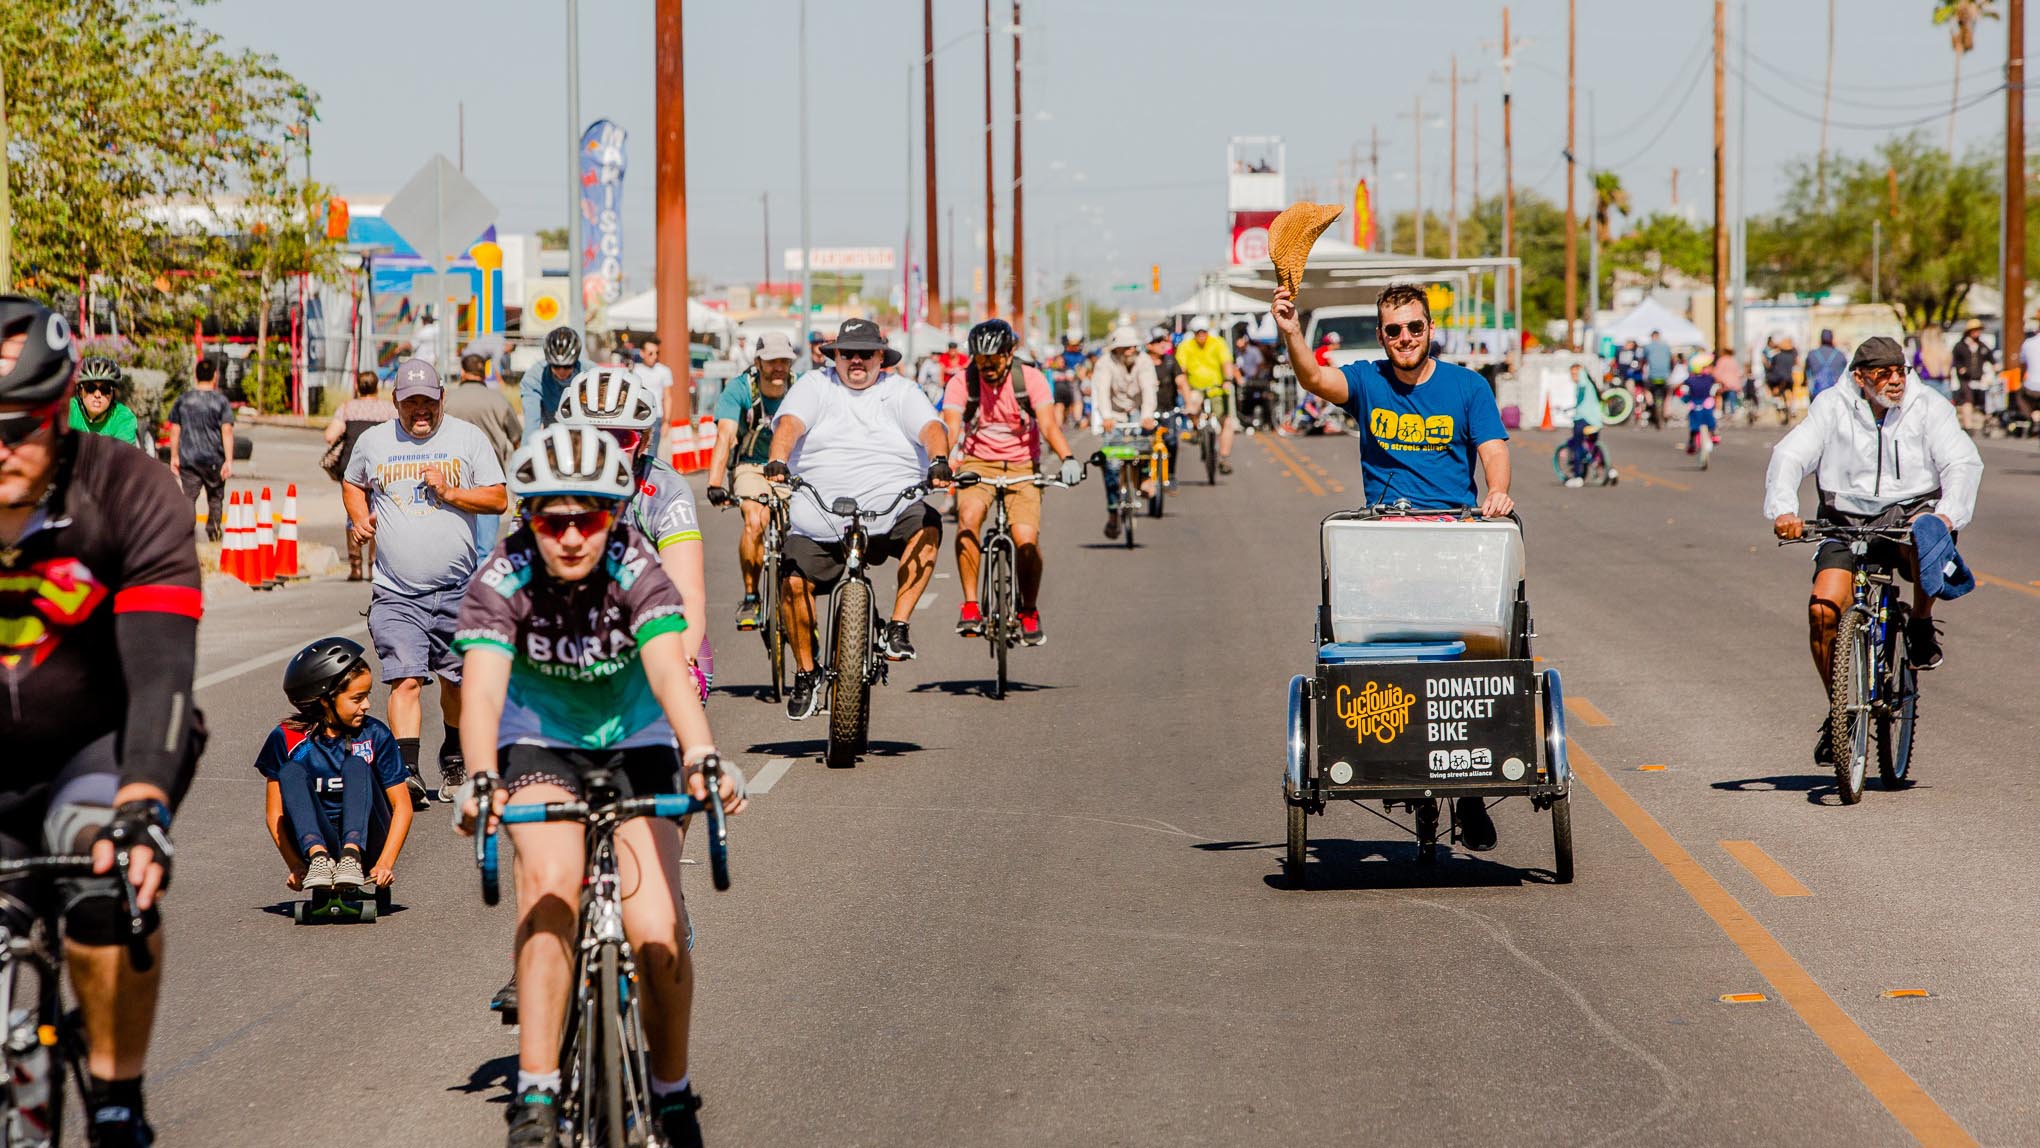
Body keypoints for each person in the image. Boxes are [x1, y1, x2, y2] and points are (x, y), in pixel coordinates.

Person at [453, 425, 747, 1148]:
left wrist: (703, 753)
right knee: (551, 880)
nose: (573, 537)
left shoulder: (636, 565)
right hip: (539, 740)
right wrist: (481, 776)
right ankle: (539, 1092)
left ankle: (671, 1091)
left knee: (656, 930)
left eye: (590, 517)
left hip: (636, 740)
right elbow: (482, 695)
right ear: (530, 521)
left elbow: (667, 671)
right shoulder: (503, 574)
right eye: (554, 519)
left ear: (614, 517)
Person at [0, 295, 202, 1148]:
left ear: (60, 409)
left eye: (19, 427)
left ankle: (118, 1096)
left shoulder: (129, 490)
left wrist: (143, 806)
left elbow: (161, 670)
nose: (0, 449)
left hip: (103, 738)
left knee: (102, 870)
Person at [1273, 280, 1512, 852]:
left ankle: (1472, 793)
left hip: (1454, 541)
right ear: (1382, 336)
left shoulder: (1467, 386)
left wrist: (1497, 493)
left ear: (1431, 330)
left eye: (1414, 327)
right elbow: (1313, 379)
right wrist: (1290, 331)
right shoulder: (1366, 380)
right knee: (1378, 658)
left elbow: (1494, 450)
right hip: (1382, 545)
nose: (1405, 338)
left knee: (1474, 659)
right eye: (1393, 330)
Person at [1765, 336, 1983, 763]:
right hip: (1845, 519)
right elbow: (1790, 454)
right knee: (1823, 610)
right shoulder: (1832, 406)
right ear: (1859, 377)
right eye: (1883, 373)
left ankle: (1919, 623)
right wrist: (1783, 511)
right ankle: (1841, 712)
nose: (1895, 380)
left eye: (1900, 370)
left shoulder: (1928, 406)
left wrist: (1947, 515)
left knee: (1927, 540)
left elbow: (1961, 463)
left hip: (1910, 513)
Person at [764, 319, 948, 720]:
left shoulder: (900, 391)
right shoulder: (816, 386)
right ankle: (806, 673)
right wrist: (777, 458)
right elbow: (790, 423)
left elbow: (932, 427)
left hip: (890, 507)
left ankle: (898, 626)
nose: (858, 361)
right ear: (835, 357)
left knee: (929, 527)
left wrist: (939, 462)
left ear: (882, 356)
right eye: (848, 353)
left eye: (867, 353)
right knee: (792, 581)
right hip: (821, 513)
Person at [344, 359, 508, 806]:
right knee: (406, 679)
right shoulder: (374, 442)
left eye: (428, 402)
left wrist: (452, 493)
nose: (420, 411)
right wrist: (360, 520)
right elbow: (352, 482)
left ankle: (453, 756)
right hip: (397, 592)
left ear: (442, 400)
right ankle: (406, 771)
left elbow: (497, 497)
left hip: (458, 590)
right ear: (395, 401)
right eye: (411, 402)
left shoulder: (467, 439)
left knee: (456, 681)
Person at [556, 368, 710, 681]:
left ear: (643, 441)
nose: (606, 449)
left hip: (651, 624)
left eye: (621, 438)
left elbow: (687, 592)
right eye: (592, 436)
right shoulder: (546, 486)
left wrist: (683, 663)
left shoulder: (665, 490)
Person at [945, 319, 1084, 645]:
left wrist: (1068, 458)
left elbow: (1049, 426)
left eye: (993, 360)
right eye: (981, 361)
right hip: (977, 462)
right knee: (968, 519)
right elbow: (950, 427)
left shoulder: (1030, 379)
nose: (987, 368)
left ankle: (1029, 610)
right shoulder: (963, 381)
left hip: (1022, 464)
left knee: (1026, 540)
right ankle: (970, 605)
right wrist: (942, 459)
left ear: (1010, 354)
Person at [257, 638, 414, 895]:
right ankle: (320, 859)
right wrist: (296, 864)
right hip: (317, 843)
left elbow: (402, 807)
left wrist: (385, 863)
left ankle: (351, 857)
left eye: (367, 696)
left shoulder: (375, 734)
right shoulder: (286, 737)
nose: (367, 705)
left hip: (369, 841)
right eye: (357, 698)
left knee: (356, 764)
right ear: (325, 700)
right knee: (290, 771)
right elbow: (274, 814)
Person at [705, 331, 796, 630]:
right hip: (751, 466)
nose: (779, 367)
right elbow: (725, 436)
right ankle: (751, 595)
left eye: (784, 360)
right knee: (755, 520)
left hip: (791, 468)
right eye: (772, 361)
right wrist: (715, 483)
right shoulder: (740, 389)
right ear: (758, 361)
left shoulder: (800, 387)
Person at [325, 371, 399, 581]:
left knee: (354, 516)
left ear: (358, 387)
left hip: (352, 469)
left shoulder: (347, 408)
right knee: (379, 515)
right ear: (377, 388)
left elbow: (329, 435)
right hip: (380, 470)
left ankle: (355, 566)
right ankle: (374, 566)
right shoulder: (388, 410)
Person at [1090, 326, 1160, 538]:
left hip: (1138, 410)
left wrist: (1147, 415)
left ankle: (1145, 477)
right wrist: (1107, 417)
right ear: (1117, 349)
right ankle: (1113, 513)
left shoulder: (1145, 361)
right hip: (1114, 414)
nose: (1130, 351)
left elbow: (1149, 389)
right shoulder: (1105, 363)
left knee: (1145, 443)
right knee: (1110, 463)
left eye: (1133, 347)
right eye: (1125, 347)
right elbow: (1101, 391)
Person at [167, 358, 235, 542]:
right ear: (215, 376)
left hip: (189, 459)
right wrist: (228, 460)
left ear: (195, 375)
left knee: (188, 498)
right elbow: (226, 430)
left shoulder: (183, 400)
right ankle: (214, 531)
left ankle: (187, 536)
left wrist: (174, 455)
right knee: (215, 498)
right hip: (214, 460)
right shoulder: (221, 401)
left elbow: (175, 429)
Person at [1176, 317, 1240, 474]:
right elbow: (1181, 368)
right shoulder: (1186, 346)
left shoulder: (1217, 343)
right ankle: (1198, 430)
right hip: (1196, 388)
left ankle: (1223, 458)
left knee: (1226, 422)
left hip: (1216, 389)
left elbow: (1226, 363)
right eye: (1198, 332)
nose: (1201, 335)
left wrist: (1227, 379)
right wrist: (1182, 383)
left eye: (1204, 332)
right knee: (1191, 404)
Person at [442, 352, 522, 470]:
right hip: (493, 476)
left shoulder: (446, 400)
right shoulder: (500, 400)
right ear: (484, 374)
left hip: (455, 475)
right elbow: (518, 441)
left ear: (463, 372)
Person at [519, 327, 593, 440]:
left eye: (567, 366)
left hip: (586, 436)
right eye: (556, 366)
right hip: (553, 437)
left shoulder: (592, 374)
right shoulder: (533, 379)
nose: (561, 371)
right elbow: (531, 426)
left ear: (576, 360)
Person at [68, 358, 151, 450]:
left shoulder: (124, 418)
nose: (97, 394)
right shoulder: (68, 411)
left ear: (113, 394)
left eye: (105, 389)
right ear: (80, 391)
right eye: (90, 388)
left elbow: (120, 456)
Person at [1145, 328, 1186, 489]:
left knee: (1172, 441)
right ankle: (1144, 476)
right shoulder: (1142, 363)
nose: (1163, 344)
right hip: (1147, 412)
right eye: (1158, 341)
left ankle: (1170, 474)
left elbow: (1182, 382)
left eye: (1164, 341)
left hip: (1168, 410)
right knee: (1143, 445)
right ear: (1149, 345)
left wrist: (1189, 404)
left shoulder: (1171, 361)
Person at [1563, 362, 1604, 488]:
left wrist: (1581, 373)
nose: (1573, 376)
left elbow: (1582, 382)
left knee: (1577, 446)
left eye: (1575, 374)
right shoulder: (1591, 386)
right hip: (1596, 422)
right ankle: (1610, 470)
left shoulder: (1583, 382)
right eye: (1572, 374)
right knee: (1593, 446)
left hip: (1583, 420)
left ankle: (1578, 476)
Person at [1950, 318, 1993, 431]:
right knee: (1967, 400)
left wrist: (1993, 369)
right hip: (1965, 378)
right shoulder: (1960, 346)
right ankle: (1968, 425)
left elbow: (1991, 358)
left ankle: (1986, 423)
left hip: (1979, 378)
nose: (1977, 332)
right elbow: (1955, 360)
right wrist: (1960, 369)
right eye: (1975, 330)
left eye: (1979, 330)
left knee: (1983, 400)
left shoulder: (1982, 346)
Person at [1679, 352, 1720, 456]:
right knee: (1710, 420)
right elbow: (1718, 385)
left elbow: (1683, 389)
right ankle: (1714, 434)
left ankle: (1692, 443)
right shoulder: (1710, 378)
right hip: (1706, 402)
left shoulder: (1690, 379)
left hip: (1695, 403)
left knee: (1694, 425)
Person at [1804, 329, 1849, 401]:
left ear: (1820, 339)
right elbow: (1847, 373)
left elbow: (1806, 371)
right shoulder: (1840, 355)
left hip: (1816, 394)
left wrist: (1804, 382)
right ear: (1832, 339)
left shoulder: (1812, 354)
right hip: (1835, 393)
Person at [1641, 330, 1673, 429]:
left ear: (1652, 337)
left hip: (1653, 375)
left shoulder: (1648, 347)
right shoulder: (1666, 346)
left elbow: (1643, 360)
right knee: (1668, 394)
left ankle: (1650, 404)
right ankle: (1667, 411)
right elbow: (1672, 360)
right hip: (1665, 375)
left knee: (1646, 390)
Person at [1914, 325, 1955, 401]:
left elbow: (1915, 372)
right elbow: (1950, 373)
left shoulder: (1921, 354)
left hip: (1927, 385)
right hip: (1945, 385)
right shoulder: (1947, 353)